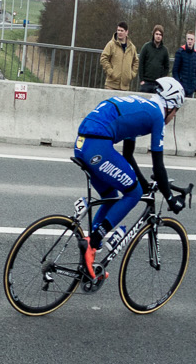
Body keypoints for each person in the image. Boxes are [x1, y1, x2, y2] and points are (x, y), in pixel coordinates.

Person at [74, 77, 188, 278]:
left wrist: (144, 183)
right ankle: (94, 240)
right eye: (176, 111)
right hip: (97, 145)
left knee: (111, 196)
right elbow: (158, 165)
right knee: (133, 193)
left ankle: (90, 249)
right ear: (170, 105)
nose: (174, 116)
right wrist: (170, 199)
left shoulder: (142, 106)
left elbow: (128, 155)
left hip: (82, 144)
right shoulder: (157, 116)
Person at [99, 22, 138, 92]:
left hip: (125, 86)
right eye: (118, 30)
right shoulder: (111, 44)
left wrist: (132, 74)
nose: (119, 32)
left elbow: (136, 61)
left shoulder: (132, 47)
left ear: (126, 32)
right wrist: (110, 72)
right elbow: (103, 58)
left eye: (122, 31)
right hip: (111, 85)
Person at [136, 23, 171, 91]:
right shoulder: (146, 47)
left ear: (162, 36)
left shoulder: (165, 50)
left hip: (158, 84)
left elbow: (166, 67)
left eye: (160, 34)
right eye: (157, 34)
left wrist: (162, 80)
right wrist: (142, 80)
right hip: (146, 83)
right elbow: (141, 64)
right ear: (153, 35)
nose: (158, 36)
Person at [172, 32, 196, 98]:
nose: (190, 41)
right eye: (188, 39)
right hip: (181, 88)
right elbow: (175, 71)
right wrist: (178, 84)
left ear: (194, 41)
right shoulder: (180, 52)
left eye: (191, 39)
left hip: (190, 89)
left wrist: (195, 86)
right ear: (186, 40)